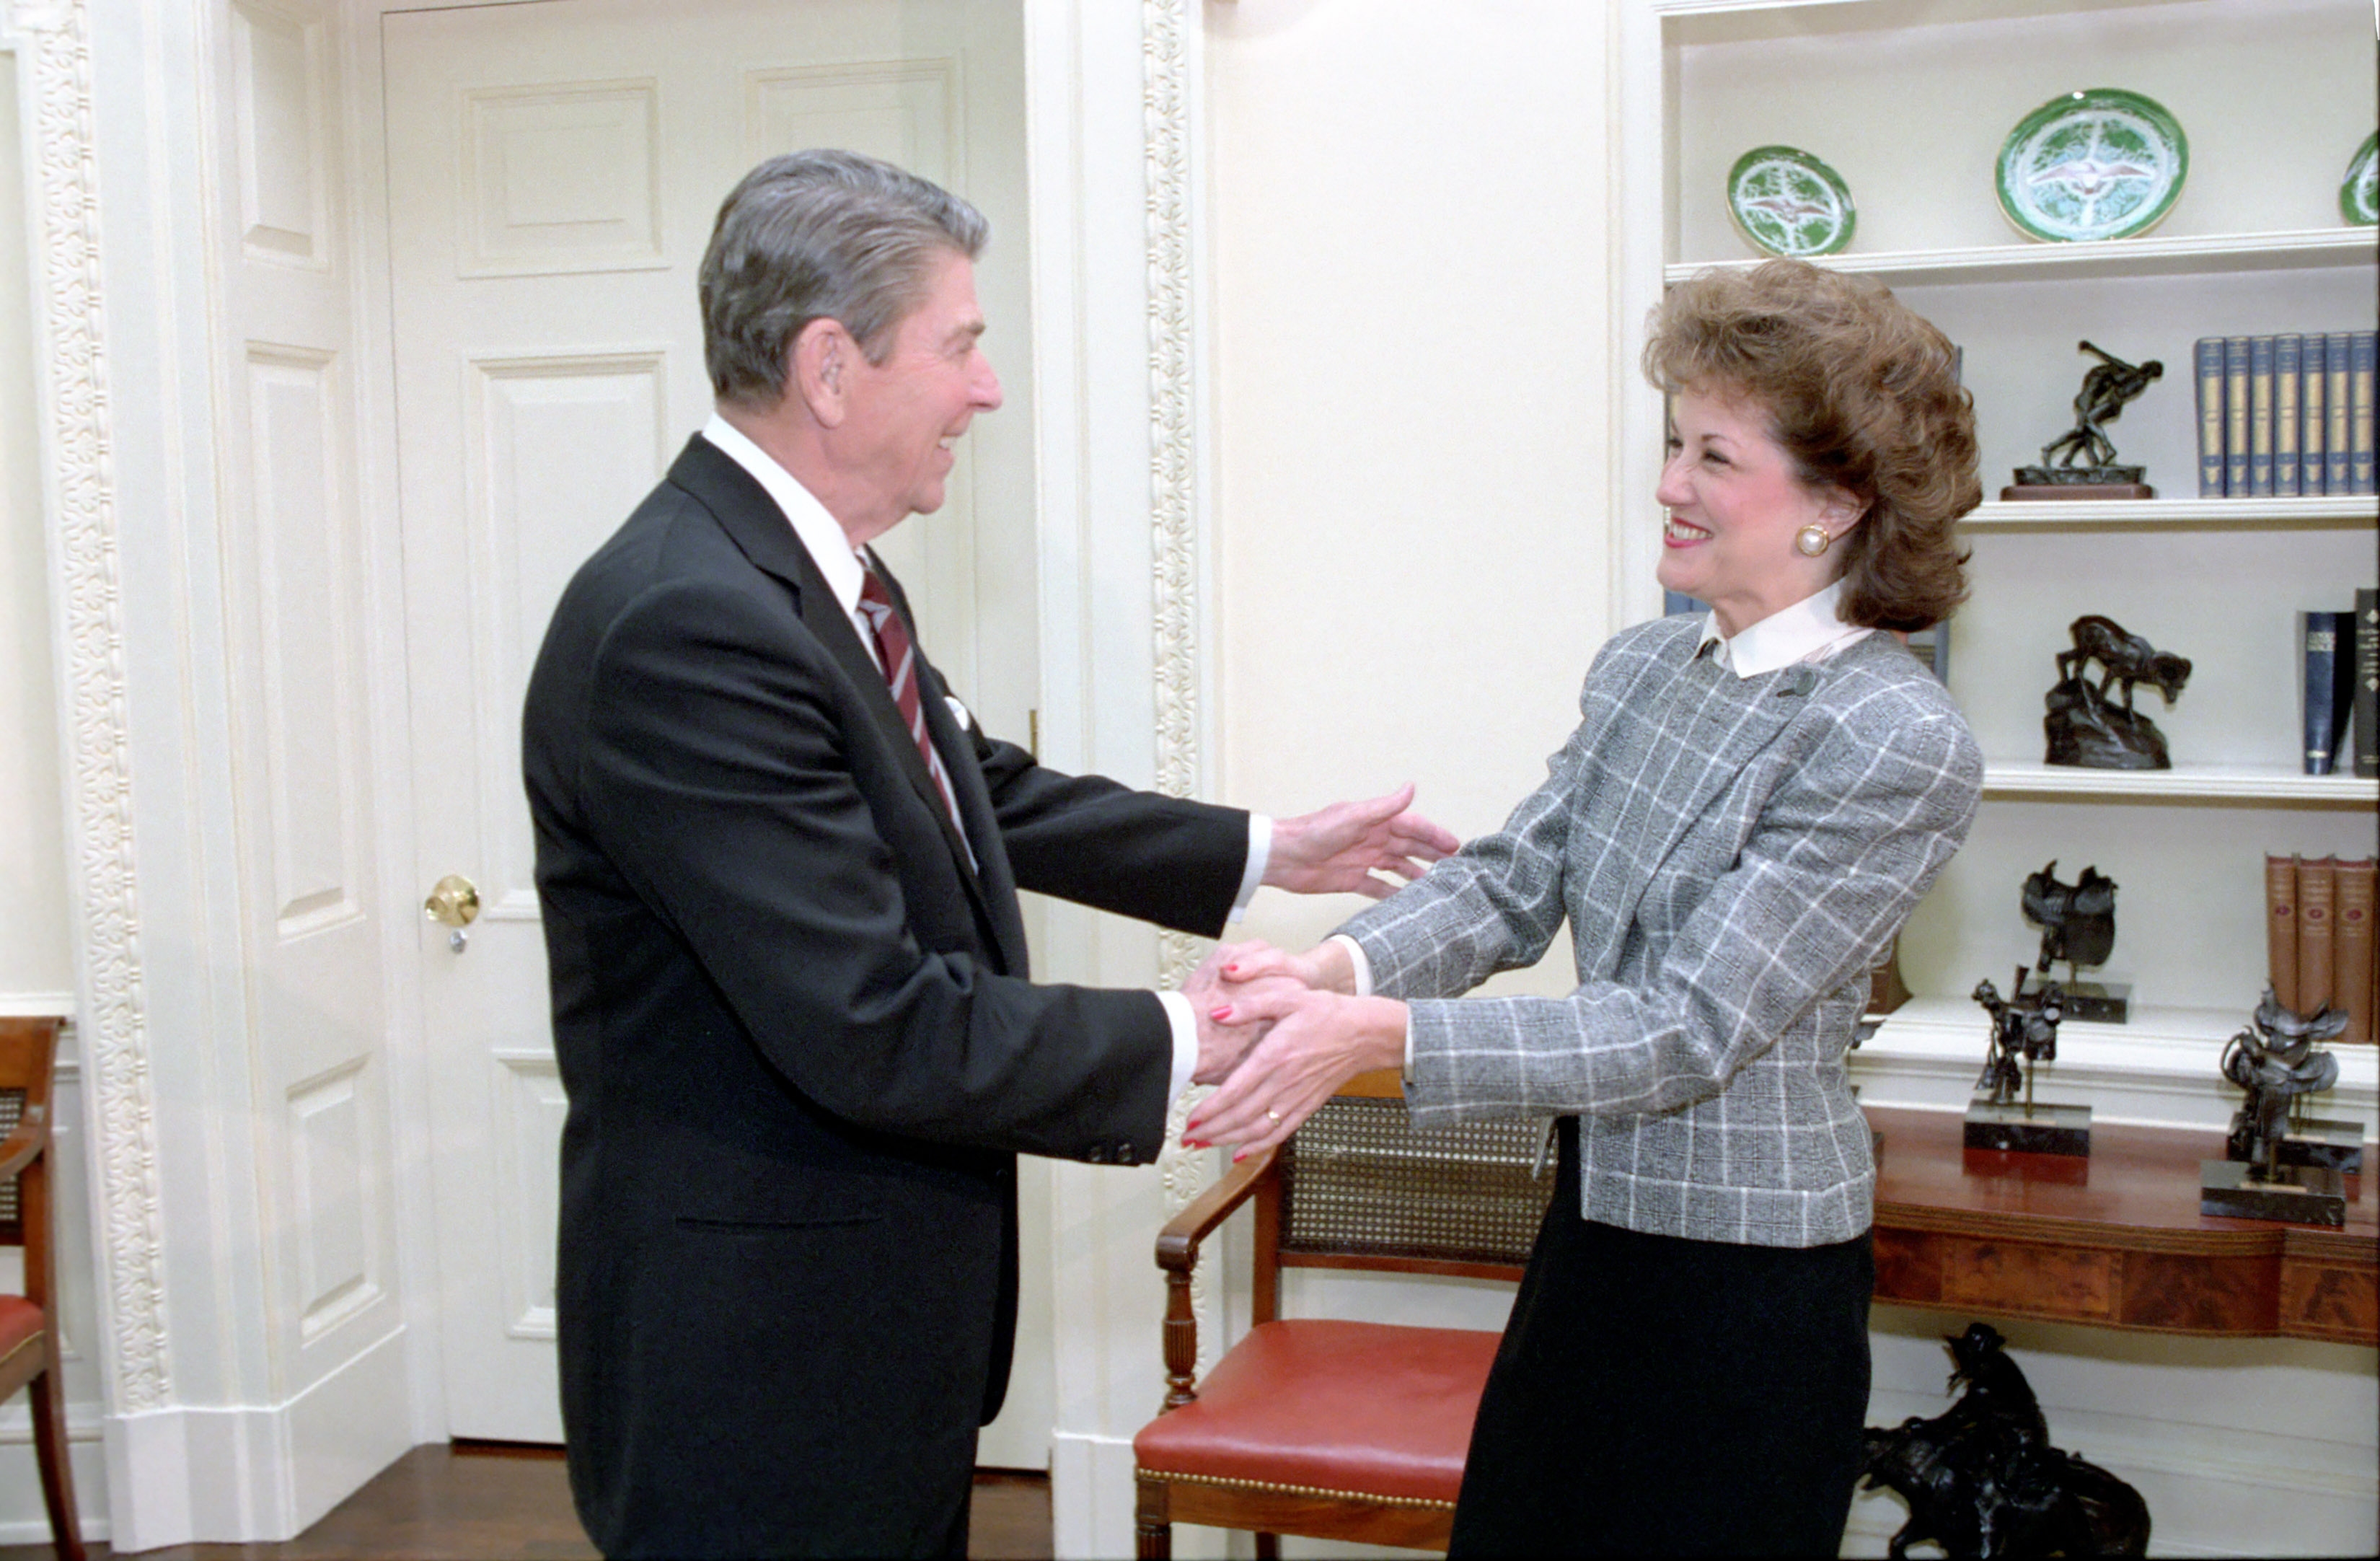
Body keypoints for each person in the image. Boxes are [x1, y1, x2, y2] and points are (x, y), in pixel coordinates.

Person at [521, 149, 1454, 1559]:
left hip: (867, 1333)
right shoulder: (687, 623)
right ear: (831, 367)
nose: (987, 387)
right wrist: (1194, 1034)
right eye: (960, 344)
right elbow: (874, 1023)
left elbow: (972, 790)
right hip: (761, 1371)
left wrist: (1270, 848)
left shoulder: (812, 570)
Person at [1191, 258, 1985, 1556]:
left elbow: (1685, 1026)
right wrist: (1333, 973)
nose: (1669, 484)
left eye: (1715, 456)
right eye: (1674, 443)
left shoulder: (1893, 737)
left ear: (1835, 503)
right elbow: (1515, 880)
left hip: (1748, 1280)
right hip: (1599, 1228)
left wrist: (1386, 1039)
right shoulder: (1646, 665)